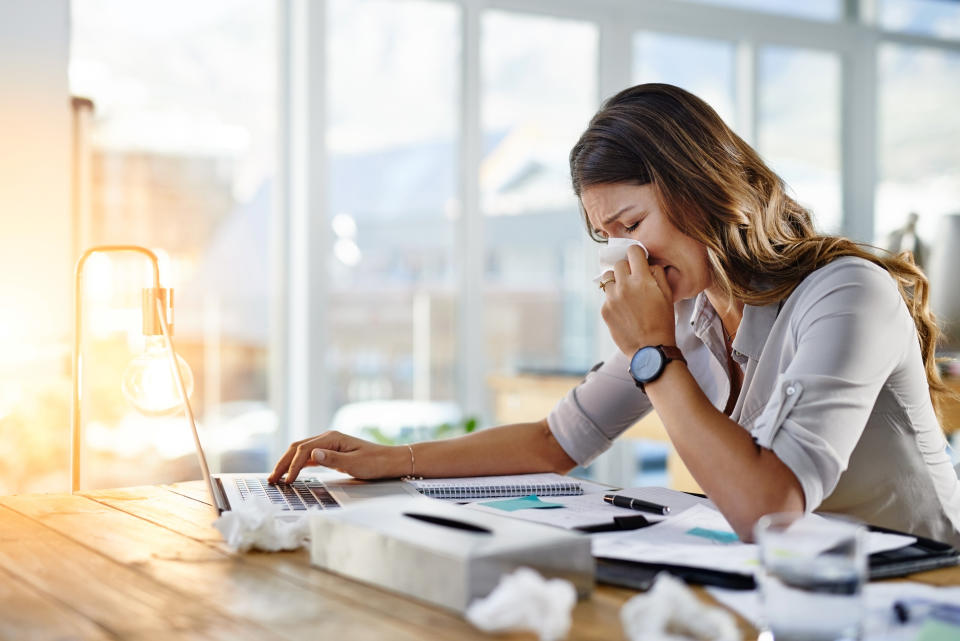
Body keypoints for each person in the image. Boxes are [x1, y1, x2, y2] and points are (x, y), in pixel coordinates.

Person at [269, 83, 960, 546]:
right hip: (808, 593)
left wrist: (653, 355)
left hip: (924, 596)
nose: (627, 255)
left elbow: (772, 508)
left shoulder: (847, 295)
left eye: (633, 222)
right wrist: (390, 459)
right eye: (610, 236)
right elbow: (553, 441)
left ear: (699, 190)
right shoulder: (689, 314)